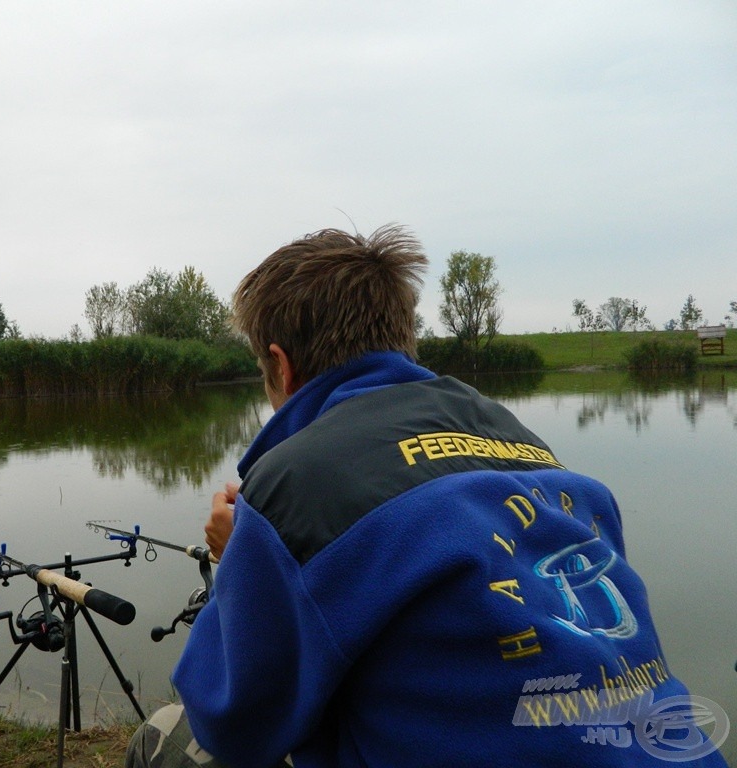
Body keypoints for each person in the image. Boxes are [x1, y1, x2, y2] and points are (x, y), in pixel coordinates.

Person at [126, 225, 728, 767]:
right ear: (402, 338)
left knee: (164, 742)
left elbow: (236, 722)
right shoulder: (524, 441)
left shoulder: (295, 485)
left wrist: (243, 559)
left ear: (282, 368)